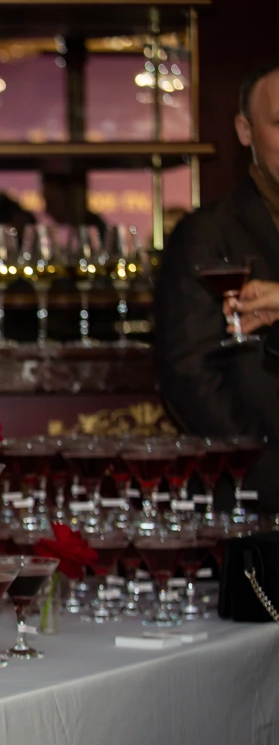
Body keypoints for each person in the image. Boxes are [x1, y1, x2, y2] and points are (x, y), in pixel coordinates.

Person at [155, 58, 279, 511]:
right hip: (258, 494)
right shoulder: (207, 233)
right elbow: (191, 375)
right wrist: (260, 463)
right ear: (245, 131)